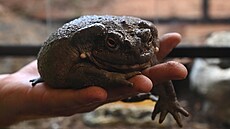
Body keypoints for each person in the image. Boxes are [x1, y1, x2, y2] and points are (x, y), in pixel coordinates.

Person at [0, 33, 187, 127]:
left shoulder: (142, 49)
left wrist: (169, 99)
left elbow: (155, 65)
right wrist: (111, 77)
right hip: (76, 55)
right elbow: (79, 70)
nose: (137, 51)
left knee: (159, 69)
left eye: (145, 40)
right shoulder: (79, 53)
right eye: (113, 44)